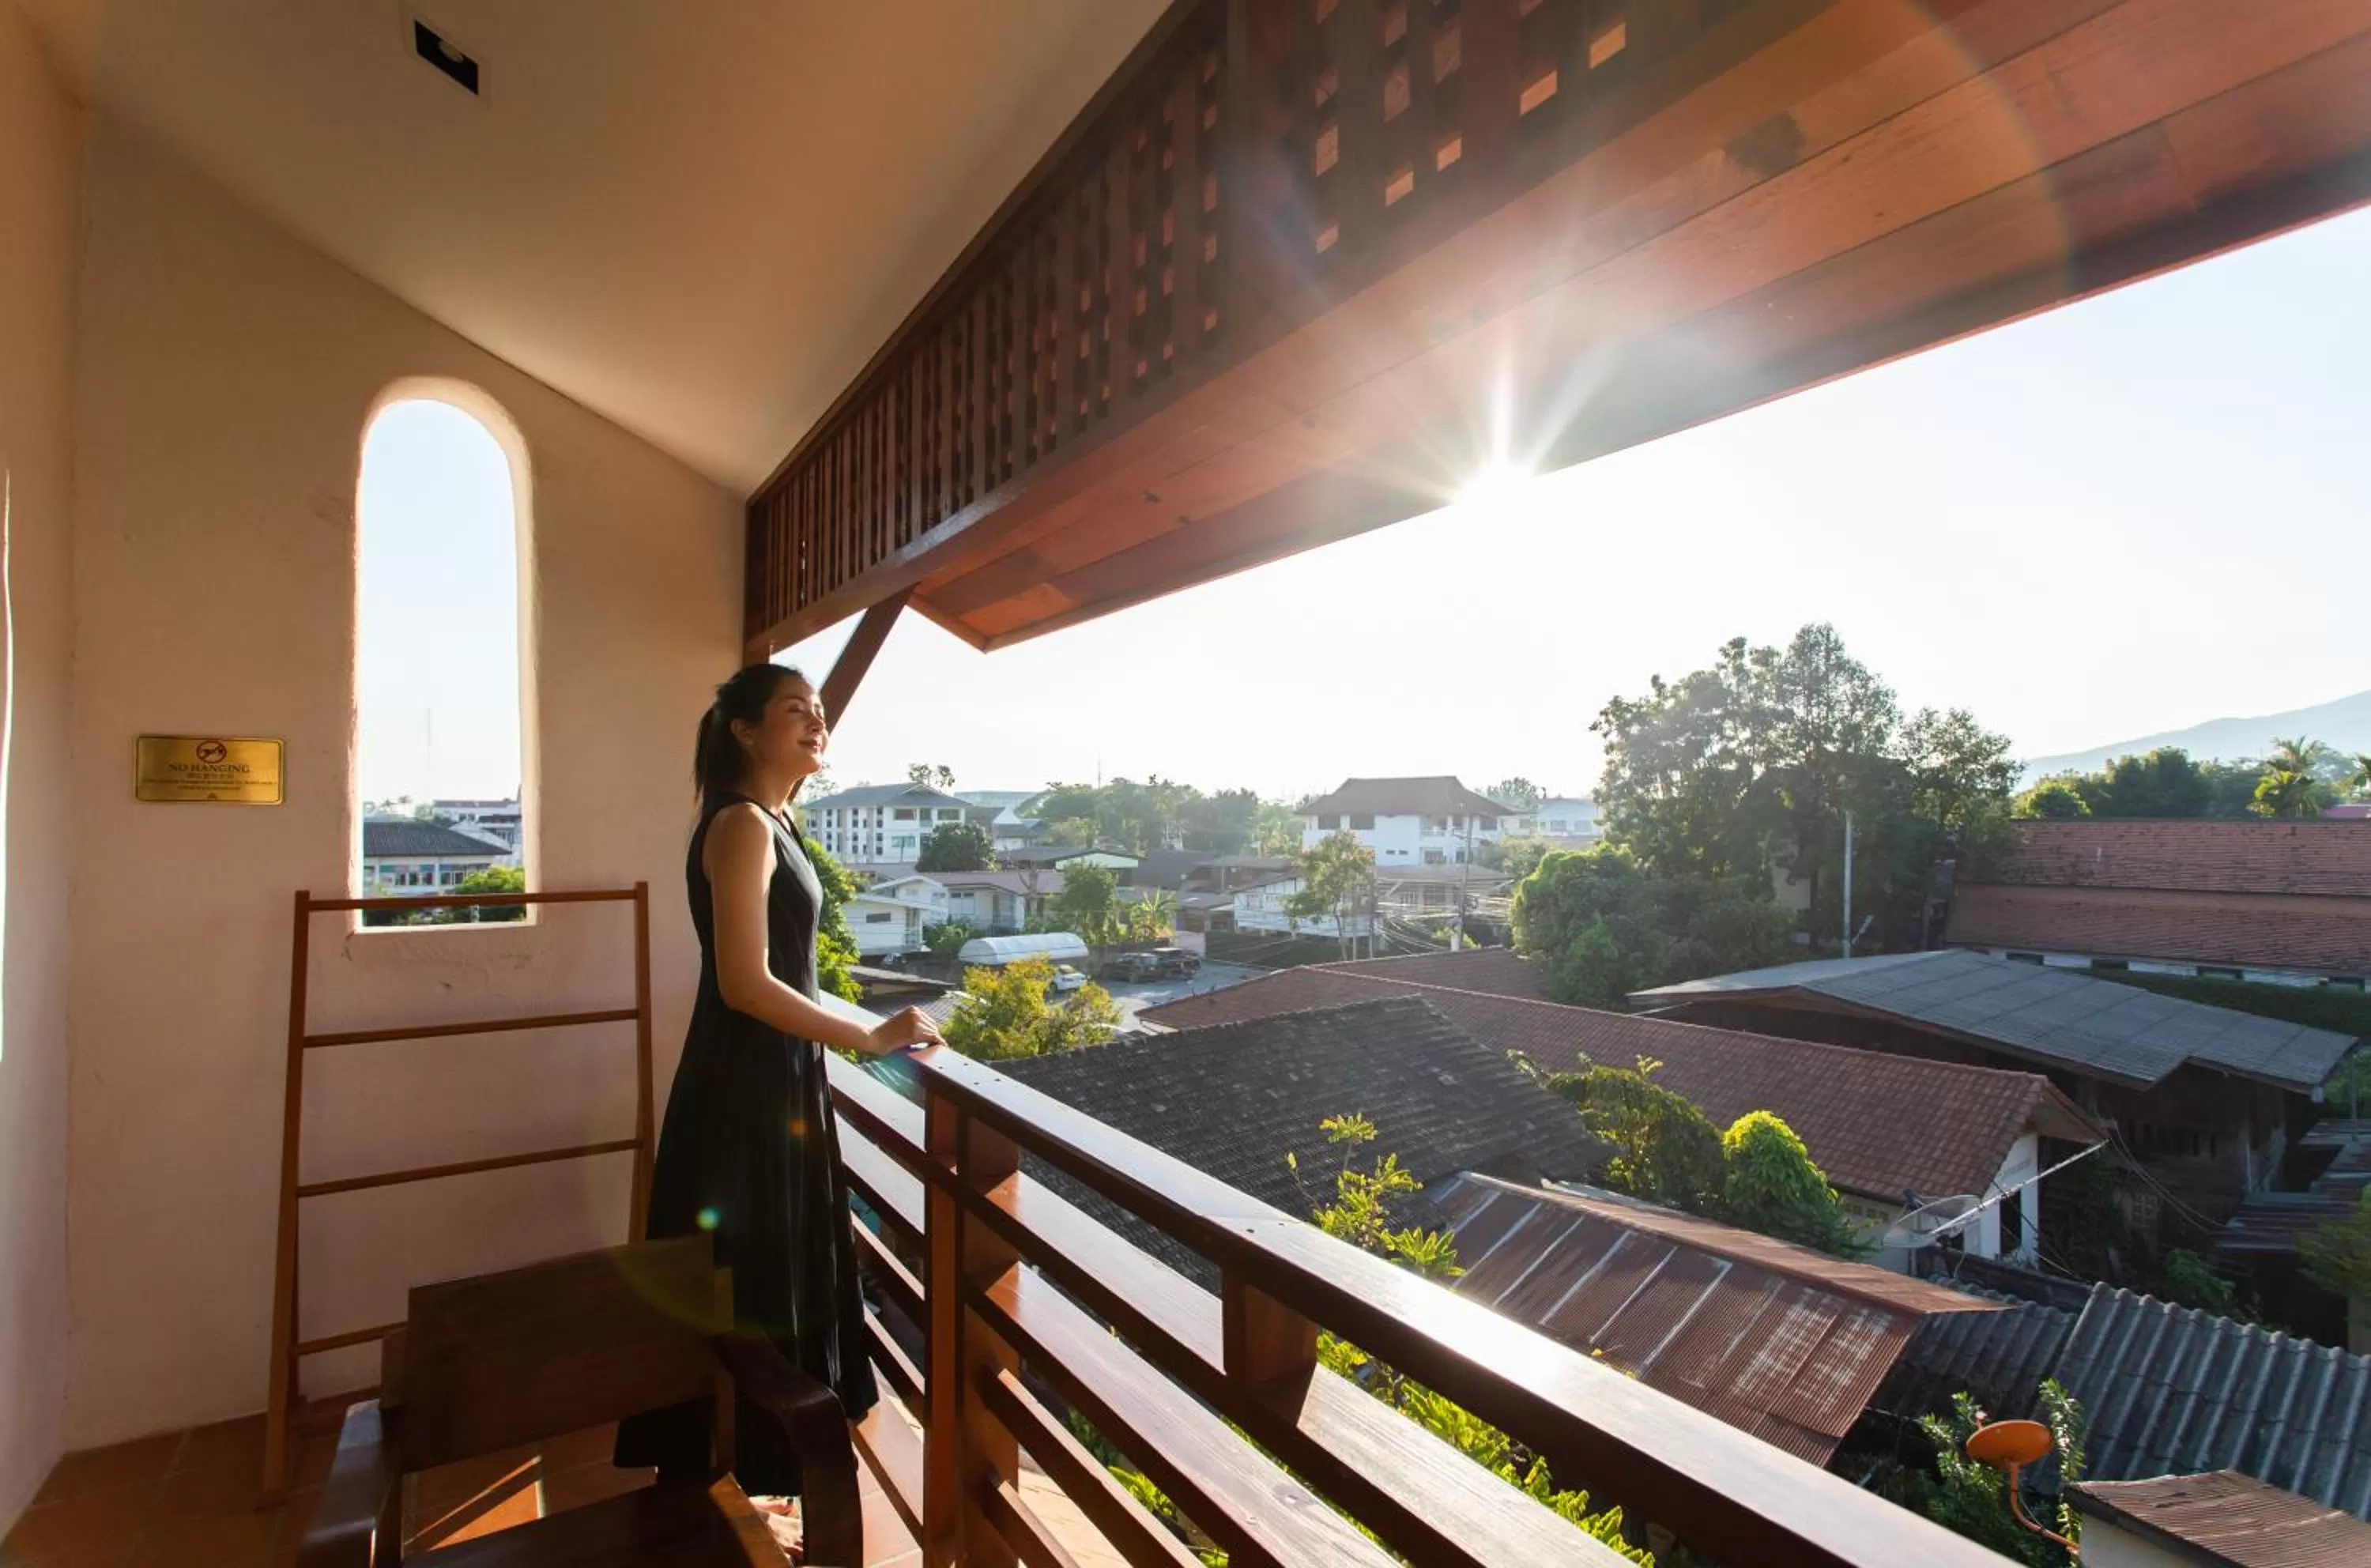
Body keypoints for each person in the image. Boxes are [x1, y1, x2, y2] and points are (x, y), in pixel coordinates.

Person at [615, 665, 940, 1544]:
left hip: (771, 1075)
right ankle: (735, 1476)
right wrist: (868, 1041)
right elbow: (746, 983)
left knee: (757, 1270)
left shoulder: (776, 823)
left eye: (821, 710)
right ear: (745, 730)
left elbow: (793, 974)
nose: (817, 721)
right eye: (797, 709)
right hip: (745, 1085)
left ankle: (752, 1475)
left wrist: (866, 1021)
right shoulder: (741, 825)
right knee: (744, 1274)